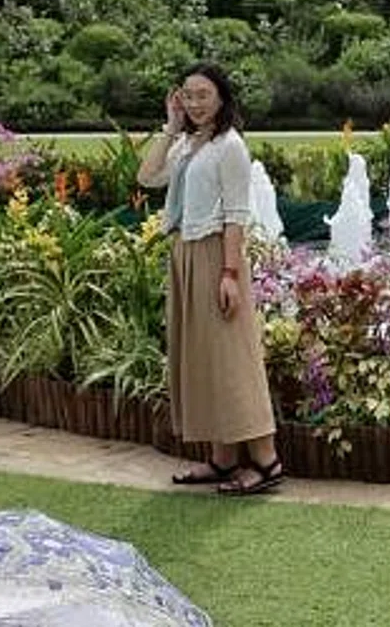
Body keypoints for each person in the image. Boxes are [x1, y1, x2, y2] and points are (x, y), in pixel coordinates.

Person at [136, 63, 280, 496]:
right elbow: (146, 177)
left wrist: (231, 274)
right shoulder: (185, 144)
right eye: (188, 95)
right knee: (204, 358)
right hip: (185, 252)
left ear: (221, 97)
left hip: (217, 254)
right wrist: (169, 127)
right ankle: (222, 459)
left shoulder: (229, 146)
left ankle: (266, 461)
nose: (196, 103)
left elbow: (237, 215)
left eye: (203, 95)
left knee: (233, 359)